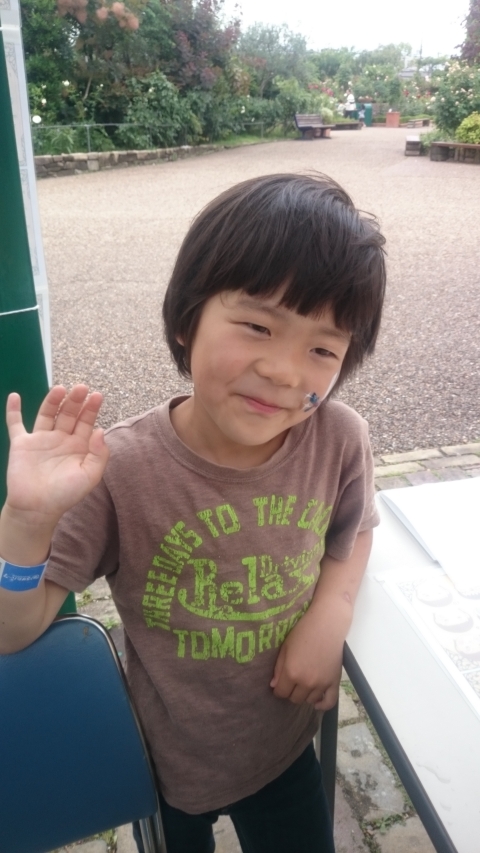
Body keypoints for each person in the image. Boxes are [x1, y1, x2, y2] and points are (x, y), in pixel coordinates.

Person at [0, 173, 386, 853]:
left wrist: (332, 610)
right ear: (187, 319)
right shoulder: (119, 470)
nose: (285, 371)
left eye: (322, 348)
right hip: (166, 761)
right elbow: (14, 630)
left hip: (284, 746)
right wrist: (27, 524)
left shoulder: (339, 439)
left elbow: (353, 531)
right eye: (258, 326)